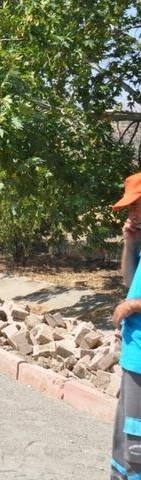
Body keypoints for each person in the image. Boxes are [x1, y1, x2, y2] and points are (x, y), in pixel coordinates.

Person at [110, 172, 141, 480]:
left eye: (135, 206)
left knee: (137, 450)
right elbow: (130, 282)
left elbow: (133, 298)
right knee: (124, 445)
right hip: (134, 356)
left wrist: (132, 306)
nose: (131, 213)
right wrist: (130, 244)